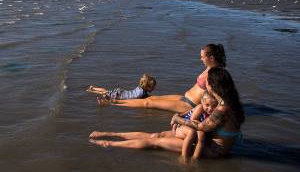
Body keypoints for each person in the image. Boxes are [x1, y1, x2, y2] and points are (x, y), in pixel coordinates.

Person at [89, 67, 245, 158]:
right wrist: (185, 117)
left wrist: (178, 118)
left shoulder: (223, 107)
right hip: (206, 140)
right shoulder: (227, 100)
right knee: (156, 135)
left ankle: (109, 143)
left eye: (207, 82)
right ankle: (109, 133)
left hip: (212, 150)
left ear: (213, 85)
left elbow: (203, 127)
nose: (205, 85)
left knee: (154, 141)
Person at [97, 44, 226, 113]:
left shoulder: (216, 74)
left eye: (203, 57)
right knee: (150, 98)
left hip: (188, 105)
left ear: (212, 58)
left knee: (148, 103)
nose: (201, 59)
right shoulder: (210, 68)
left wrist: (218, 112)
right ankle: (114, 100)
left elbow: (218, 96)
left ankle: (113, 102)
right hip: (184, 97)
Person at [172, 91, 218, 158]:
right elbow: (192, 121)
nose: (210, 109)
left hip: (192, 128)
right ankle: (184, 157)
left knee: (201, 135)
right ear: (202, 102)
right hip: (181, 126)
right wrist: (203, 126)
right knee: (192, 132)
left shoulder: (214, 113)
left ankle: (195, 158)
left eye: (214, 106)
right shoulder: (200, 108)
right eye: (207, 105)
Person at [86, 73, 156, 101]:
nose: (153, 88)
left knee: (106, 91)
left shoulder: (140, 88)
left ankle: (93, 88)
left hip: (122, 92)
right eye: (152, 87)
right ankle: (91, 91)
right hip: (119, 95)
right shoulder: (141, 94)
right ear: (147, 87)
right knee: (104, 93)